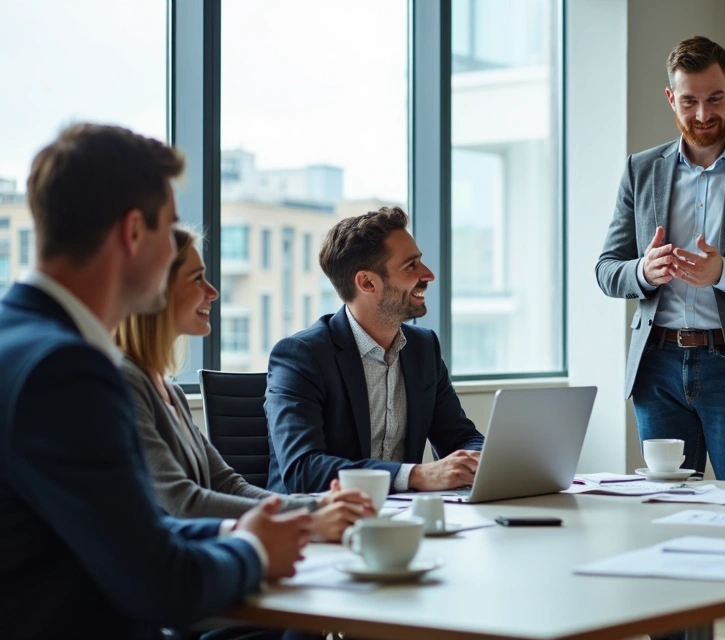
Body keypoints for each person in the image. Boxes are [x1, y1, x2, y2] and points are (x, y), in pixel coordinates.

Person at [0, 124, 310, 639]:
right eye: (169, 231)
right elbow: (162, 584)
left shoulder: (20, 341)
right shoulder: (67, 372)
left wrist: (233, 529)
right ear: (132, 233)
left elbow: (124, 531)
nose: (173, 252)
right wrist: (255, 549)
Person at [596, 36, 725, 483]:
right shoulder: (641, 169)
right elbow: (607, 268)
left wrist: (724, 272)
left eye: (714, 98)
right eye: (689, 101)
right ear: (672, 99)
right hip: (658, 370)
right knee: (665, 512)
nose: (704, 115)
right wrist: (642, 271)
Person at [116, 228, 375, 541]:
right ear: (156, 287)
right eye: (197, 278)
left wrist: (317, 505)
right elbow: (184, 503)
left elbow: (228, 485)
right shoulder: (124, 383)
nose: (212, 292)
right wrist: (310, 519)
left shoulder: (170, 390)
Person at [265, 206, 485, 494]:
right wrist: (416, 475)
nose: (428, 275)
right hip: (317, 525)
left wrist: (485, 460)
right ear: (367, 282)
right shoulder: (300, 356)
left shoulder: (423, 348)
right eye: (411, 265)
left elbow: (460, 437)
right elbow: (303, 469)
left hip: (403, 520)